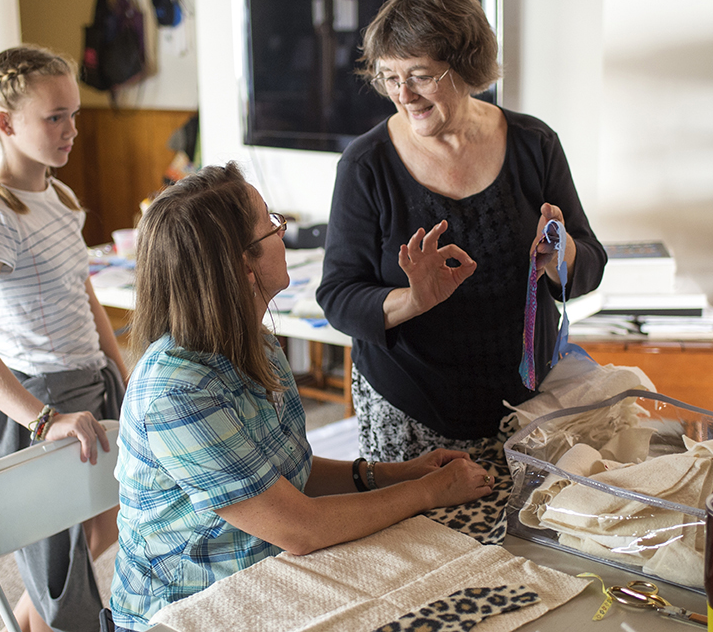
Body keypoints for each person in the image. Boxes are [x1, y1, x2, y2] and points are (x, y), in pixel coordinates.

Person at [109, 162, 492, 632]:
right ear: (243, 266)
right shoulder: (176, 392)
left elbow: (285, 477)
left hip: (264, 584)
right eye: (271, 224)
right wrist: (428, 491)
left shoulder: (255, 343)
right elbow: (301, 528)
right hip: (188, 615)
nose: (282, 233)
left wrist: (395, 474)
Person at [316, 0, 607, 462]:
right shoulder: (366, 166)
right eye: (390, 77)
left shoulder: (535, 145)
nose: (403, 94)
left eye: (420, 75)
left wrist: (563, 257)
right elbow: (338, 296)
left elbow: (589, 259)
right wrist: (414, 299)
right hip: (410, 408)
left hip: (528, 406)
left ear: (466, 67)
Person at [0, 45, 127, 632]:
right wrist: (44, 419)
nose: (72, 129)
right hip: (39, 400)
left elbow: (83, 291)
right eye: (56, 117)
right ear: (6, 123)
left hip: (89, 382)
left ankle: (25, 622)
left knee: (113, 518)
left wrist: (119, 365)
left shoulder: (58, 195)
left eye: (74, 113)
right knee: (62, 582)